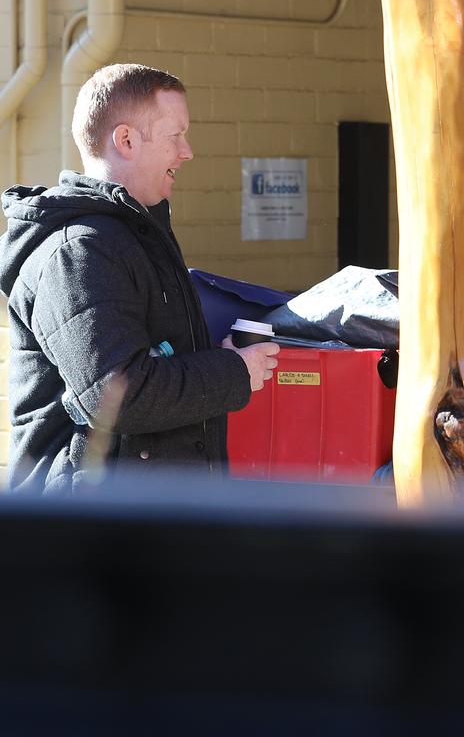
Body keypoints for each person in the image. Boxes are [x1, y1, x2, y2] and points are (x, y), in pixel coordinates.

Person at [0, 63, 280, 493]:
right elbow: (118, 396)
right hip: (90, 537)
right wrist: (232, 372)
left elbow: (153, 365)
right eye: (175, 135)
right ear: (126, 140)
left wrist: (219, 357)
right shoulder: (78, 252)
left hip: (145, 525)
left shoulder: (135, 238)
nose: (187, 152)